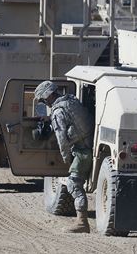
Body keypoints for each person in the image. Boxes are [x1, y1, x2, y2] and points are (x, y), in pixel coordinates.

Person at [34, 81, 94, 233]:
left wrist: (66, 158)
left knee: (73, 184)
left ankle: (82, 222)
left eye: (44, 100)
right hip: (91, 145)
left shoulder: (58, 112)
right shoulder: (72, 101)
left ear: (49, 96)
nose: (45, 103)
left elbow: (61, 138)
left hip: (82, 151)